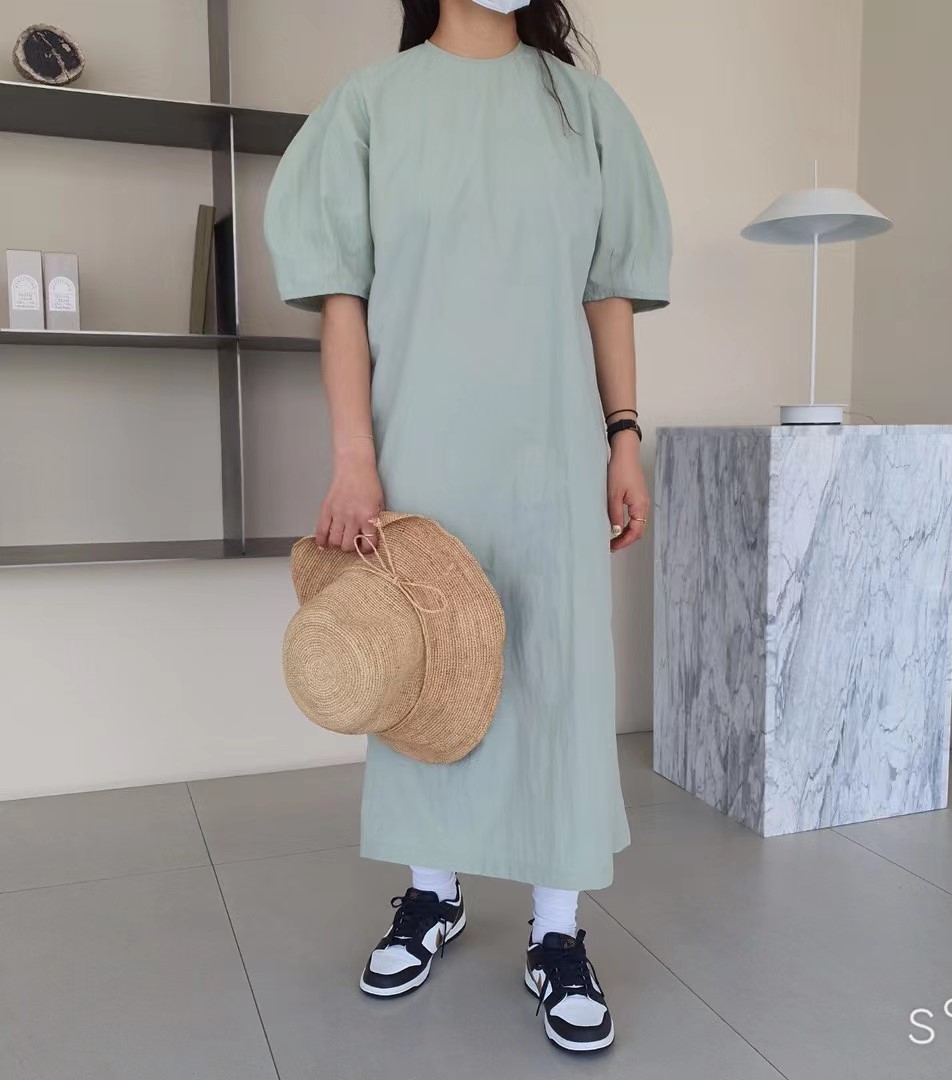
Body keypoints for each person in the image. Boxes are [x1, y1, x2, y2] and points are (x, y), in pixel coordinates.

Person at [264, 0, 671, 1054]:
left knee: (554, 669)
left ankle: (556, 932)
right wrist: (354, 459)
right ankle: (431, 894)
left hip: (550, 449)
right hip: (421, 449)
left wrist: (624, 435)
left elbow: (608, 291)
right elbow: (342, 298)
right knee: (426, 665)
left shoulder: (582, 109)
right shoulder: (371, 106)